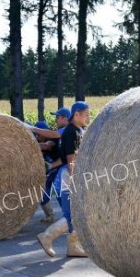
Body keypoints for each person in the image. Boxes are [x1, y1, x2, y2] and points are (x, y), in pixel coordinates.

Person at [37, 102, 90, 258]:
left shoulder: (78, 130)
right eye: (86, 114)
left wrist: (53, 165)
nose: (88, 117)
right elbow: (70, 159)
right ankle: (47, 236)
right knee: (71, 215)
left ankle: (72, 247)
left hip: (69, 175)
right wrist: (76, 181)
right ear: (77, 115)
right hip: (70, 177)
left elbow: (62, 158)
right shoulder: (71, 132)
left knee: (73, 214)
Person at [34, 120, 62, 223]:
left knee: (46, 191)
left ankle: (54, 215)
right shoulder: (39, 140)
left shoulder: (51, 139)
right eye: (36, 135)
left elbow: (47, 146)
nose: (37, 136)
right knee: (42, 192)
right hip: (50, 169)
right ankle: (50, 215)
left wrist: (29, 144)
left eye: (38, 134)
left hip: (57, 168)